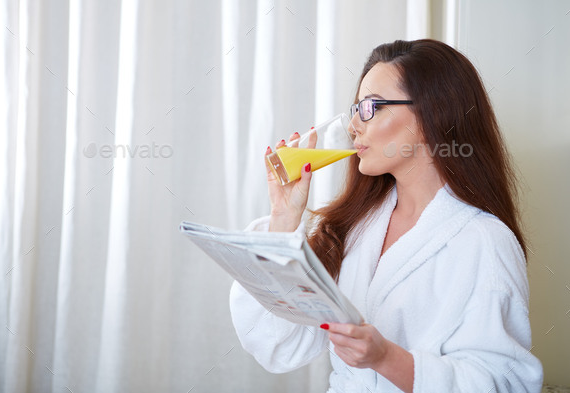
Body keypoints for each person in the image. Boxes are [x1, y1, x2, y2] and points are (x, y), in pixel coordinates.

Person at [229, 39, 543, 392]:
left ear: (430, 116)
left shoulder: (485, 242)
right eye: (356, 109)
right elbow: (278, 345)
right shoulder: (357, 227)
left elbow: (506, 383)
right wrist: (283, 218)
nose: (353, 127)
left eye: (371, 108)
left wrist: (386, 358)